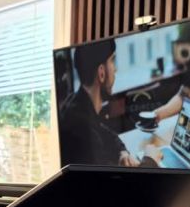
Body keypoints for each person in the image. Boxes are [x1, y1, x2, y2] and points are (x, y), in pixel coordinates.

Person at [59, 39, 143, 167]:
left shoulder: (77, 103)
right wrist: (150, 159)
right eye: (112, 61)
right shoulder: (83, 130)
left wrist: (122, 152)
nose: (115, 69)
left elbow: (106, 133)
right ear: (101, 73)